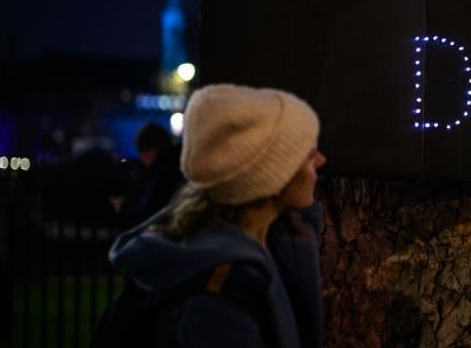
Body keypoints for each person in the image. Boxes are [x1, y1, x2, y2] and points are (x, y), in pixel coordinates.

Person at [106, 84, 327, 348]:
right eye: (307, 155)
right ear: (273, 175)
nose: (320, 160)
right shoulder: (216, 297)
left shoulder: (272, 245)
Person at [116, 121, 184, 228]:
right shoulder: (179, 166)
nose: (141, 159)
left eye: (141, 153)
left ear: (150, 152)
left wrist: (124, 209)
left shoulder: (160, 175)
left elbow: (149, 215)